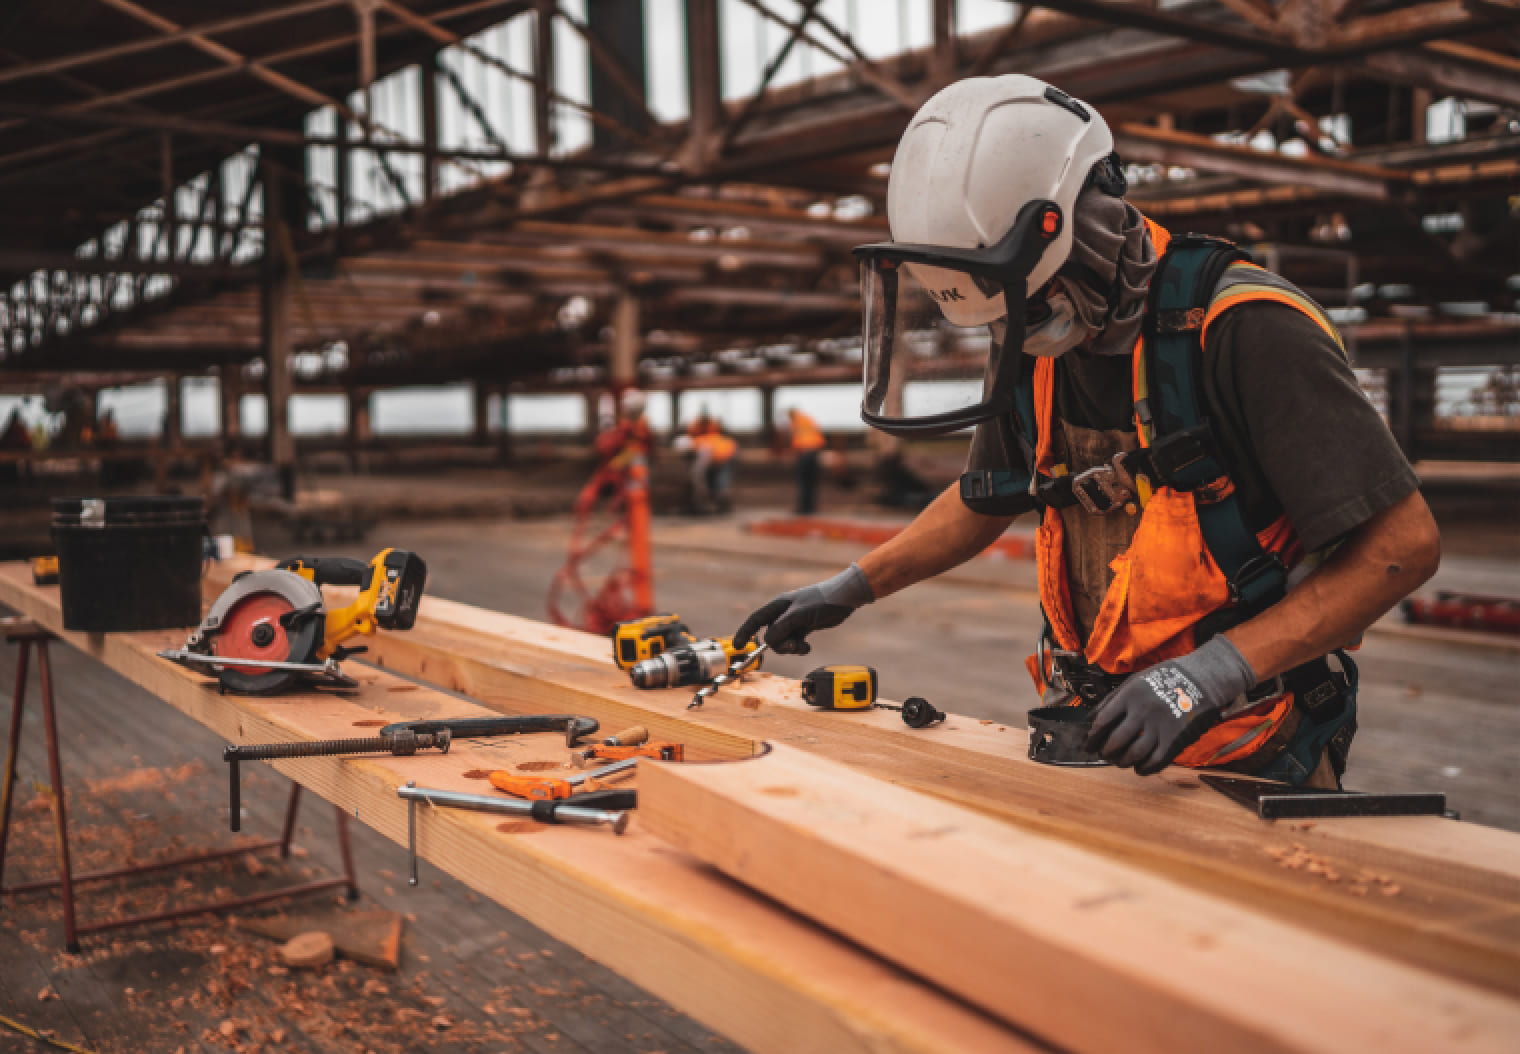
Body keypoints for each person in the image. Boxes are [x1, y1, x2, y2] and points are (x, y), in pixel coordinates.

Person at [734, 75, 1439, 789]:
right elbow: (989, 496)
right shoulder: (1030, 338)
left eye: (1033, 304)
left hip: (1251, 741)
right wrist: (852, 586)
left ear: (1086, 229)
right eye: (1008, 315)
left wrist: (1211, 673)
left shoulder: (1245, 328)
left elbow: (1403, 547)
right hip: (1094, 730)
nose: (1021, 330)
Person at [786, 406, 826, 515]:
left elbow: (795, 436)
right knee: (811, 481)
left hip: (805, 452)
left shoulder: (796, 421)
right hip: (814, 450)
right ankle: (810, 507)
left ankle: (804, 508)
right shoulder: (807, 419)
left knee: (803, 481)